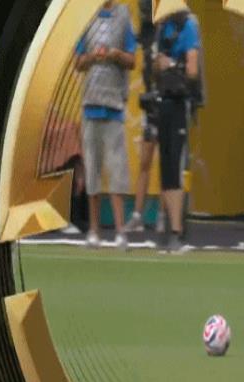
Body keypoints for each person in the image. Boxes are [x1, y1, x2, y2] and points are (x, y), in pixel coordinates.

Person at [75, 0, 137, 249]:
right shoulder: (85, 18)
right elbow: (78, 62)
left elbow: (132, 60)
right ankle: (94, 230)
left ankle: (121, 231)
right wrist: (94, 57)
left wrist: (115, 55)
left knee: (117, 172)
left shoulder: (124, 16)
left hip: (114, 106)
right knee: (92, 172)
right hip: (90, 104)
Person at [154, 6, 202, 252]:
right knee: (167, 167)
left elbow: (192, 70)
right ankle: (170, 230)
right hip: (164, 101)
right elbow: (155, 66)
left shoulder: (188, 25)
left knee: (175, 166)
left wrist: (171, 64)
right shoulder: (162, 27)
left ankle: (177, 230)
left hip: (179, 103)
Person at [125, 0, 166, 233]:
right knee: (145, 161)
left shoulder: (174, 31)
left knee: (168, 164)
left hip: (169, 103)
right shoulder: (148, 34)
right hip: (151, 105)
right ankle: (138, 215)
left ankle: (162, 215)